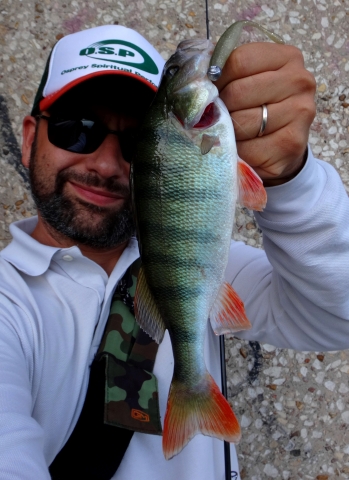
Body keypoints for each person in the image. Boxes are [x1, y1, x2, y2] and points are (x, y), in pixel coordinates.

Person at [0, 23, 348, 480]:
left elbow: (338, 314)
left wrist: (291, 182)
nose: (105, 164)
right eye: (76, 129)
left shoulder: (202, 261)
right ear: (28, 139)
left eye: (135, 140)